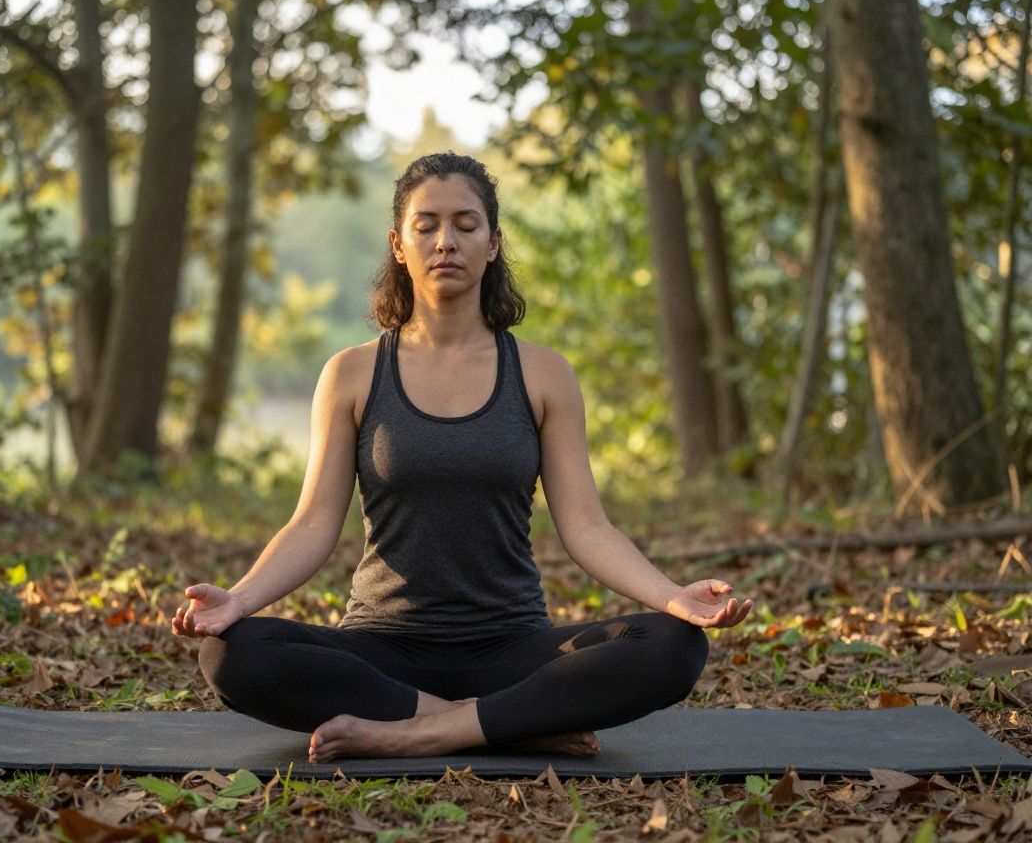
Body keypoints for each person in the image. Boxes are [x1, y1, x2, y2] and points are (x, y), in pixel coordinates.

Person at [172, 152, 753, 763]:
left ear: (493, 243)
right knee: (232, 652)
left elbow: (587, 527)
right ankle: (505, 724)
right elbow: (313, 524)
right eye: (426, 225)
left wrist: (671, 596)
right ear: (398, 246)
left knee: (673, 645)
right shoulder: (351, 373)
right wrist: (240, 599)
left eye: (466, 224)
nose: (445, 241)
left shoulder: (544, 374)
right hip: (383, 649)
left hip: (512, 650)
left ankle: (417, 732)